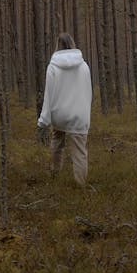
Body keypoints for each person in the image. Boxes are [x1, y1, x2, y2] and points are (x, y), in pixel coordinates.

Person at [37, 32, 92, 186]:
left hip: (59, 113)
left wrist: (43, 120)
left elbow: (49, 94)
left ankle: (54, 174)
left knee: (57, 143)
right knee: (80, 153)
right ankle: (80, 185)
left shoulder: (52, 67)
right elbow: (88, 92)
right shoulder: (84, 66)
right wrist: (85, 115)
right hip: (79, 114)